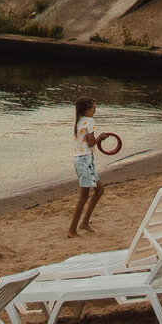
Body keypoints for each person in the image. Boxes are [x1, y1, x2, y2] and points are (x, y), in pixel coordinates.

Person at [68, 98, 107, 235]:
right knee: (83, 196)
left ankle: (84, 222)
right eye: (93, 109)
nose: (94, 111)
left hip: (84, 161)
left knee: (99, 190)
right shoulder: (89, 121)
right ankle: (72, 230)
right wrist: (100, 138)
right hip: (84, 162)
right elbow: (91, 143)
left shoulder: (78, 121)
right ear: (86, 110)